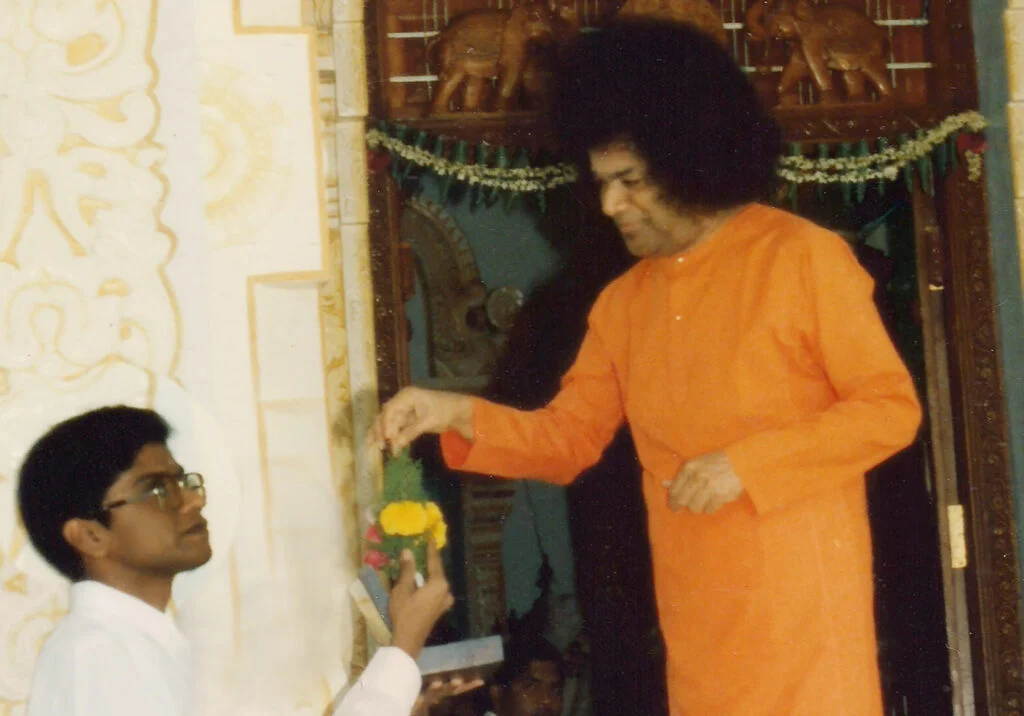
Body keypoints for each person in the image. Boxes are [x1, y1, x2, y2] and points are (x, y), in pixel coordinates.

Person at [369, 19, 923, 716]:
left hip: (806, 629)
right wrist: (449, 410)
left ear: (691, 160)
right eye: (601, 183)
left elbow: (889, 409)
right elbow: (568, 440)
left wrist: (746, 466)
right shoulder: (623, 304)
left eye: (629, 182)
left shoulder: (802, 256)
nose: (609, 206)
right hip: (698, 636)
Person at [18, 405, 476, 716]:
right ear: (90, 535)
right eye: (157, 489)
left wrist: (399, 692)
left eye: (183, 481)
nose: (193, 500)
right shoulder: (97, 657)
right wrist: (402, 649)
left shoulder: (143, 643)